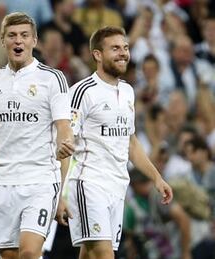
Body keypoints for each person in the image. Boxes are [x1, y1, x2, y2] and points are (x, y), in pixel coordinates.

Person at [0, 12, 74, 259]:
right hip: (4, 182)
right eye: (12, 36)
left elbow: (64, 126)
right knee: (9, 256)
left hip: (40, 181)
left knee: (29, 253)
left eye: (24, 35)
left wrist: (66, 142)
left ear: (34, 41)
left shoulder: (52, 79)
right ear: (3, 41)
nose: (18, 41)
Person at [66, 26, 173, 259]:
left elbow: (131, 143)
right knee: (105, 255)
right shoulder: (82, 92)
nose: (123, 53)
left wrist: (156, 177)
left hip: (117, 186)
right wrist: (58, 193)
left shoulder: (127, 92)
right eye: (115, 48)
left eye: (125, 47)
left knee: (90, 254)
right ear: (97, 54)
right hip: (89, 183)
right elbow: (64, 144)